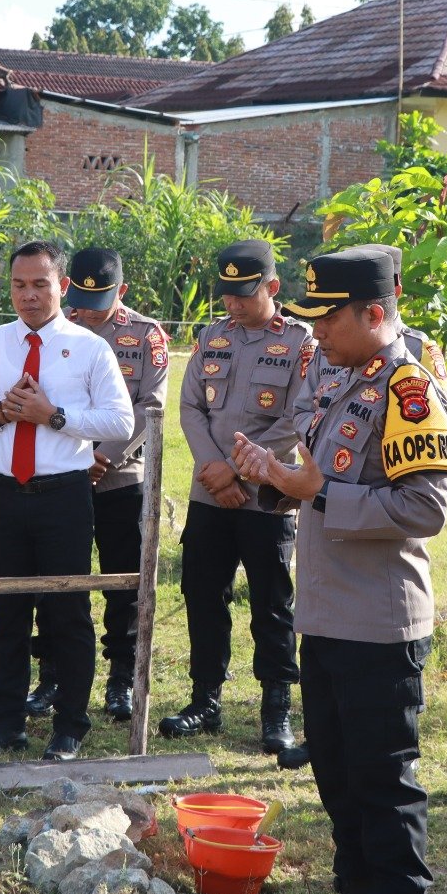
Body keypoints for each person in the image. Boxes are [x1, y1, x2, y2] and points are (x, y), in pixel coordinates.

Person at [233, 249, 447, 894]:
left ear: (375, 313)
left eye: (326, 318)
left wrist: (317, 491)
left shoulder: (408, 387)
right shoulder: (339, 378)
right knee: (337, 776)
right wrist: (273, 477)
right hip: (327, 612)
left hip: (379, 621)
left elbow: (425, 506)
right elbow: (314, 483)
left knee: (383, 782)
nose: (316, 332)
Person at [0, 241, 133, 762]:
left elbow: (119, 421)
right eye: (18, 285)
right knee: (7, 612)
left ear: (63, 287)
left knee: (67, 612)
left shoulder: (91, 348)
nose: (28, 296)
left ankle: (69, 728)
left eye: (40, 284)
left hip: (64, 496)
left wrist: (54, 416)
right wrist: (1, 414)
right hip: (5, 494)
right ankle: (5, 723)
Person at [160, 239, 315, 755]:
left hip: (267, 493)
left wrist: (236, 473)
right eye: (226, 294)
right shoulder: (211, 336)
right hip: (209, 495)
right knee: (203, 597)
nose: (232, 304)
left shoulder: (300, 342)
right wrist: (213, 469)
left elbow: (299, 417)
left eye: (243, 295)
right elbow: (189, 407)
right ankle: (205, 699)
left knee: (272, 603)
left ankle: (276, 709)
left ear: (272, 288)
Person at [23, 247, 169, 723]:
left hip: (119, 477)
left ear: (121, 291)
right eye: (79, 296)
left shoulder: (145, 336)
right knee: (55, 581)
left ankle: (121, 680)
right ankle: (51, 677)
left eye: (97, 298)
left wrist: (106, 455)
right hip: (61, 477)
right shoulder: (52, 329)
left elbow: (151, 409)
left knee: (122, 583)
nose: (84, 308)